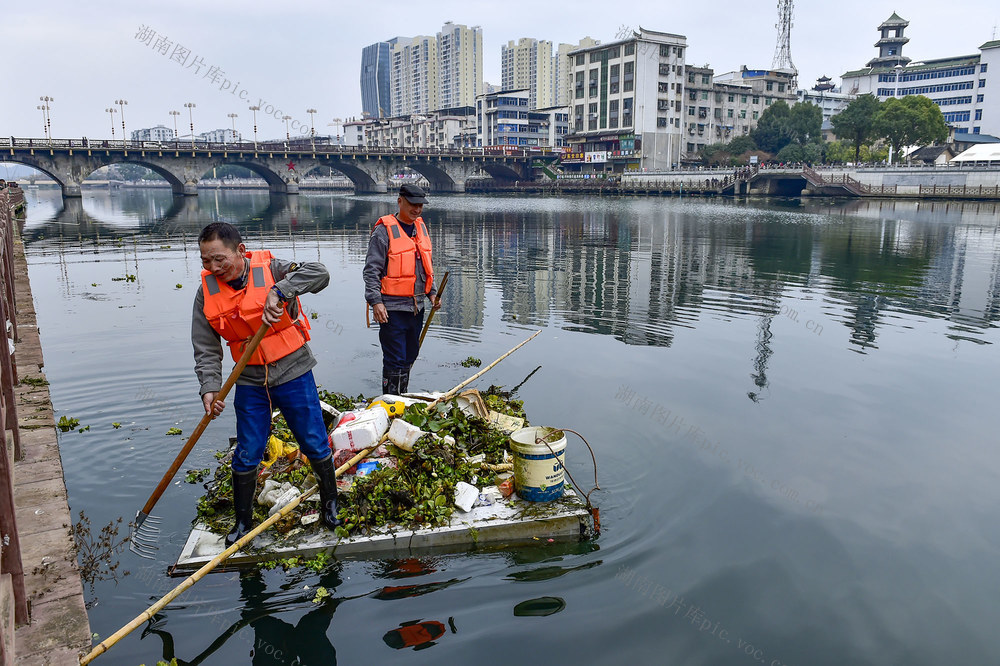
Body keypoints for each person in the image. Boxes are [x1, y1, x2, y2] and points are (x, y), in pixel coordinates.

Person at [193, 222, 340, 547]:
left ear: (241, 251)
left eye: (220, 259)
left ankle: (330, 501)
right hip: (248, 379)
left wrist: (281, 290)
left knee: (313, 441)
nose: (214, 268)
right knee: (247, 452)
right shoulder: (207, 291)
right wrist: (210, 387)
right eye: (206, 261)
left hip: (293, 371)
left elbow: (320, 272)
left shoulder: (272, 269)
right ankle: (243, 521)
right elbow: (205, 347)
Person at [363, 183, 441, 395]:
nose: (417, 210)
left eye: (420, 206)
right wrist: (376, 302)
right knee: (395, 357)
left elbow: (426, 267)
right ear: (400, 201)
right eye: (412, 205)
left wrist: (432, 293)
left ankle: (402, 396)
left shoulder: (421, 228)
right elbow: (371, 271)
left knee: (410, 354)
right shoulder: (383, 231)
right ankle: (391, 402)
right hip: (391, 309)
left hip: (416, 307)